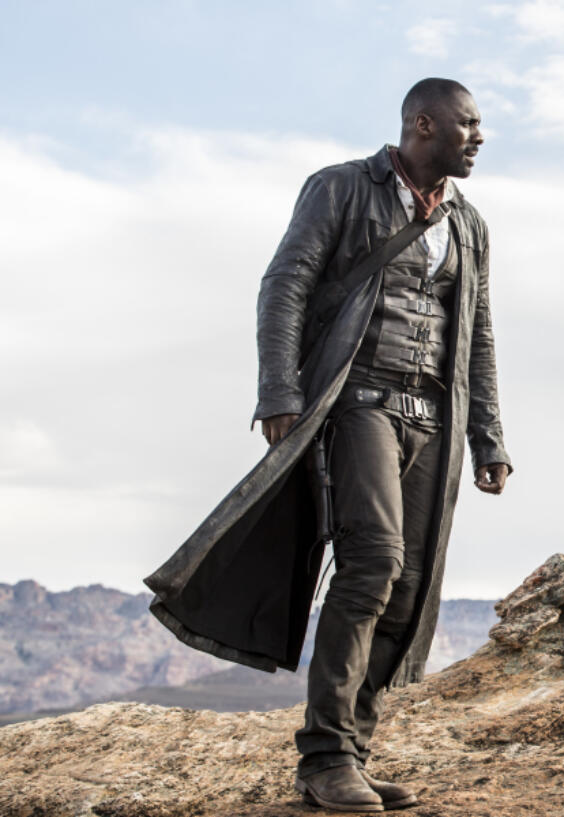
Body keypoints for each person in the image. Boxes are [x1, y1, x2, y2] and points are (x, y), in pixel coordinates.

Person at [144, 78, 512, 813]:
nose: (479, 137)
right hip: (356, 402)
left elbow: (478, 334)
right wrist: (279, 390)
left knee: (406, 593)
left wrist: (489, 436)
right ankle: (324, 757)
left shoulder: (469, 223)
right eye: (468, 125)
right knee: (374, 558)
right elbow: (284, 286)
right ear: (423, 123)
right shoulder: (342, 188)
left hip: (432, 419)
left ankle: (352, 751)